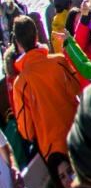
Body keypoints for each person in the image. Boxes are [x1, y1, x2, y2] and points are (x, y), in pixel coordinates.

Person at [10, 15, 82, 159]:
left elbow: (26, 131)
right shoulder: (59, 61)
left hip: (55, 153)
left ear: (18, 44)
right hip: (80, 134)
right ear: (37, 35)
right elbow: (77, 88)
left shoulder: (20, 84)